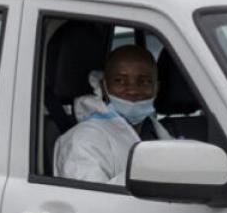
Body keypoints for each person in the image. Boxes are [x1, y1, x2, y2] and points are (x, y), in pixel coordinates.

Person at [54, 44, 171, 184]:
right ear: (105, 87)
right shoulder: (82, 140)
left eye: (143, 82)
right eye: (120, 81)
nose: (132, 90)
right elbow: (90, 201)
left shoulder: (156, 132)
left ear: (156, 88)